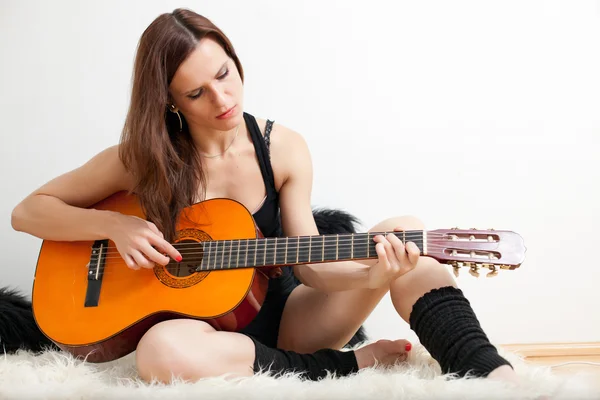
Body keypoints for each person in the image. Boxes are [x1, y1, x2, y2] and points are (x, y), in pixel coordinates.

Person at [11, 8, 517, 385]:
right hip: (205, 339)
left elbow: (314, 268)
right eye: (196, 94)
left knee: (410, 240)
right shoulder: (140, 159)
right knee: (160, 353)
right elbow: (28, 211)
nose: (223, 99)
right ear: (167, 100)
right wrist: (114, 226)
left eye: (224, 74)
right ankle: (347, 366)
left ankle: (494, 376)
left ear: (234, 58)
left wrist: (373, 275)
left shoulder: (283, 149)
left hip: (289, 322)